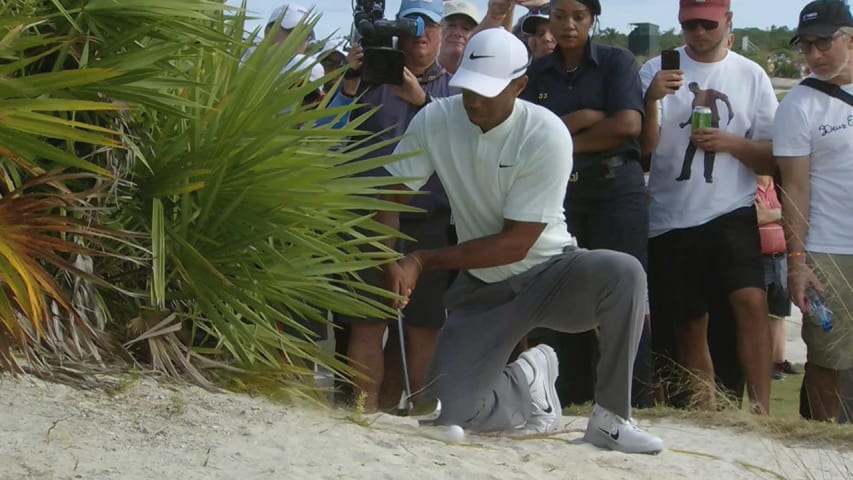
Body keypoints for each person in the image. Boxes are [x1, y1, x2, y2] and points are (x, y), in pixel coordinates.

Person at [380, 26, 664, 455]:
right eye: (469, 88)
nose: (474, 100)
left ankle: (611, 417)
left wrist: (419, 261)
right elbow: (391, 193)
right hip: (483, 286)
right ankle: (528, 383)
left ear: (520, 85)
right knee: (447, 414)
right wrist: (388, 258)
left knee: (623, 272)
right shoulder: (436, 119)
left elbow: (517, 243)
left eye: (489, 91)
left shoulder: (546, 133)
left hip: (554, 272)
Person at [639, 0, 776, 413]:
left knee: (751, 301)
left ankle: (763, 410)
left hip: (731, 208)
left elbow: (773, 156)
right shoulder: (654, 70)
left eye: (708, 24)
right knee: (689, 321)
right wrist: (650, 101)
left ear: (728, 22)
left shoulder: (751, 75)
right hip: (670, 216)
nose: (698, 32)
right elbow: (643, 153)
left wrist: (732, 143)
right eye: (689, 24)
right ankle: (705, 409)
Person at [520, 0, 655, 409]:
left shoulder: (616, 61)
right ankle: (568, 398)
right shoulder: (536, 70)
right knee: (561, 295)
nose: (568, 26)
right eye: (560, 16)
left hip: (615, 193)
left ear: (593, 20)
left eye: (578, 17)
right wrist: (583, 117)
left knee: (625, 295)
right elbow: (529, 132)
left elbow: (629, 125)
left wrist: (560, 141)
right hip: (560, 196)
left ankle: (633, 400)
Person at [331, 0, 455, 413]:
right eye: (411, 29)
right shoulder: (368, 77)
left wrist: (421, 101)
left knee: (420, 327)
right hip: (367, 217)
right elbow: (329, 136)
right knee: (367, 322)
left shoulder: (454, 87)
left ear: (441, 33)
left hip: (428, 219)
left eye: (429, 29)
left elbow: (461, 145)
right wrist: (350, 78)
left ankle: (413, 415)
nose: (420, 37)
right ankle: (364, 417)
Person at [774, 0, 853, 422]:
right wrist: (797, 261)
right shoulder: (798, 105)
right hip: (829, 247)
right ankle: (824, 445)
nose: (814, 54)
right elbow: (796, 188)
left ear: (849, 40)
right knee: (827, 359)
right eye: (806, 46)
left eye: (822, 43)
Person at [755, 175, 798, 381]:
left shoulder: (778, 187)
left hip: (781, 258)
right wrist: (780, 215)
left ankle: (778, 361)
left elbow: (795, 216)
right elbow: (753, 218)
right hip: (760, 259)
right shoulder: (751, 188)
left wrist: (771, 213)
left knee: (779, 314)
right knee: (761, 313)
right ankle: (763, 362)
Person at [438, 1, 480, 73]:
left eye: (466, 28)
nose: (458, 33)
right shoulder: (418, 70)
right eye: (451, 25)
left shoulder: (482, 75)